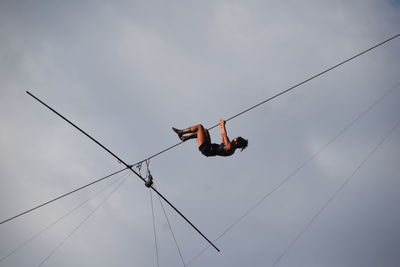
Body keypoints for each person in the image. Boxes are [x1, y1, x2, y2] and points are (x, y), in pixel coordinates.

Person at [172, 120, 248, 157]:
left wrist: (222, 124)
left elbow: (224, 134)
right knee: (204, 131)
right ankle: (185, 138)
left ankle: (181, 132)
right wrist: (221, 127)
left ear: (237, 142)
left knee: (199, 126)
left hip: (206, 148)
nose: (234, 138)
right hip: (209, 147)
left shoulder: (230, 147)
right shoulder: (231, 148)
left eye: (235, 138)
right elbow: (223, 136)